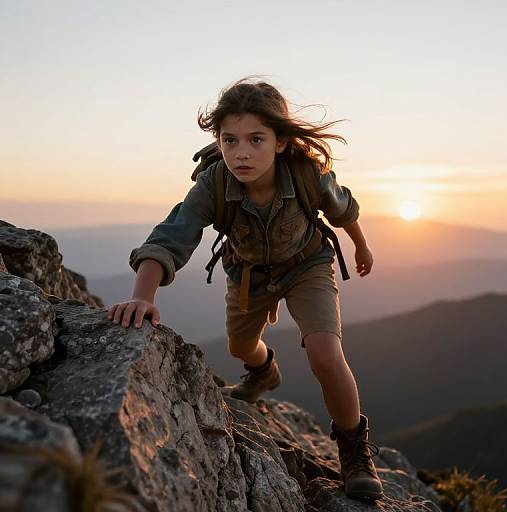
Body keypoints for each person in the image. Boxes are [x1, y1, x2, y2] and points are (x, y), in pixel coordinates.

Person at [106, 78, 384, 501]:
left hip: (307, 264)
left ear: (281, 141)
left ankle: (353, 449)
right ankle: (262, 370)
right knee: (240, 346)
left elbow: (344, 210)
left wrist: (361, 246)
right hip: (249, 273)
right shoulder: (214, 183)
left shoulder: (308, 175)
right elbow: (171, 236)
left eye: (256, 139)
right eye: (230, 140)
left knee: (327, 355)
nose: (241, 152)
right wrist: (144, 295)